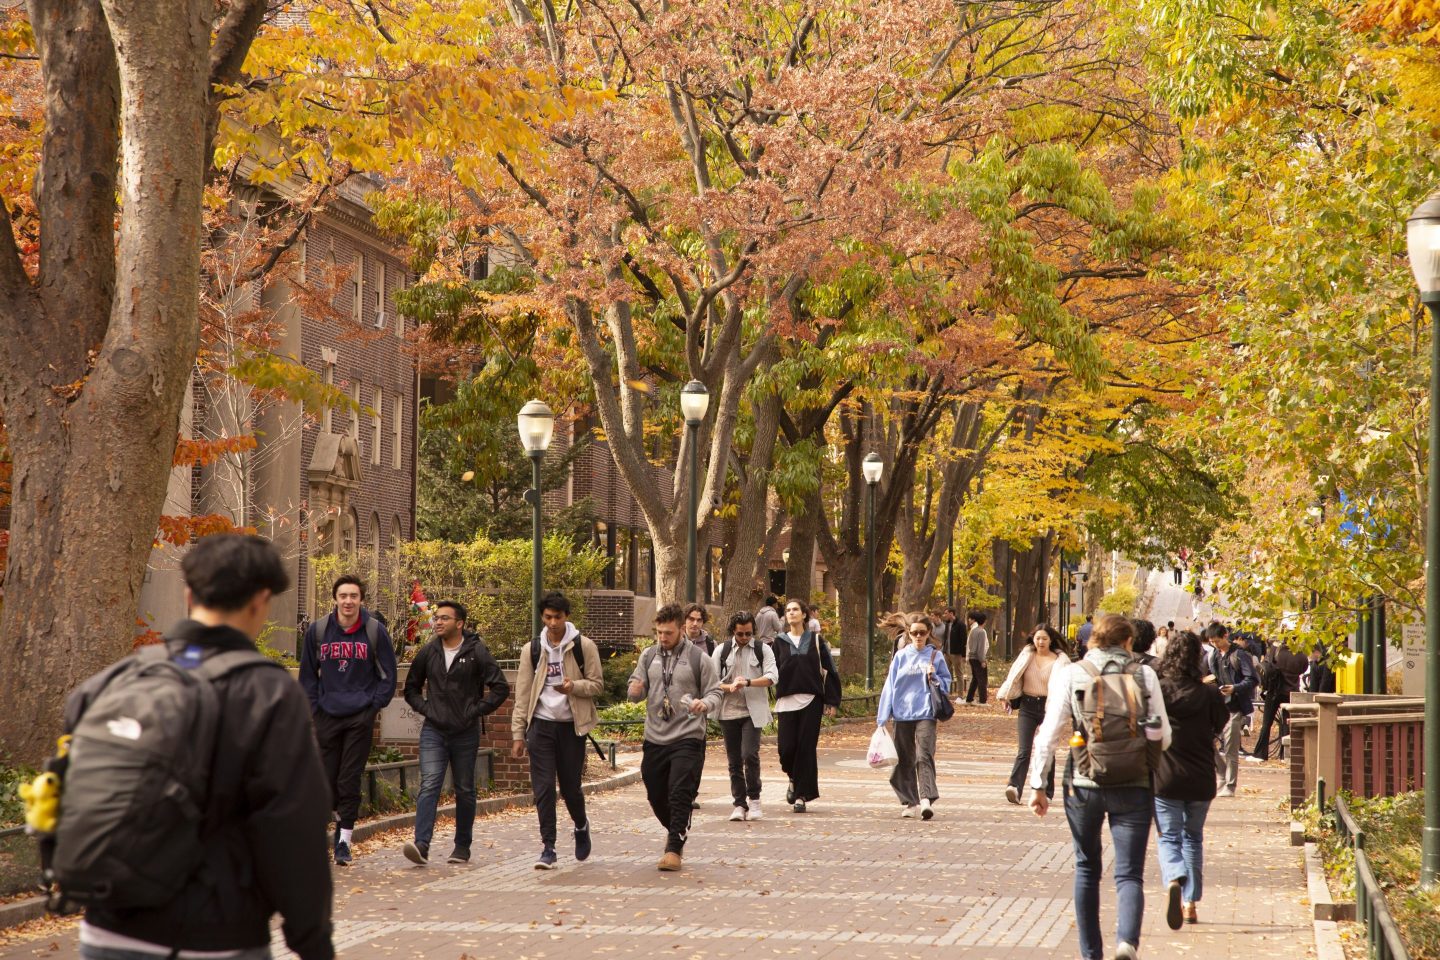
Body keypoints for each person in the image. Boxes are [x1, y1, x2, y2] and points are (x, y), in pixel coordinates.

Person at [72, 534, 335, 960]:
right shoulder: (267, 693)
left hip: (106, 928)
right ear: (261, 600)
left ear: (189, 592)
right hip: (214, 934)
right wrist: (313, 940)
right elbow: (292, 828)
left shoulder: (115, 680)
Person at [1028, 614, 1172, 960]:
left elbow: (1048, 733)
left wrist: (1037, 785)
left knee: (1087, 868)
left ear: (1092, 641)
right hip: (1135, 783)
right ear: (1128, 642)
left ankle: (1091, 953)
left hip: (1083, 781)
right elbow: (1164, 737)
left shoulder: (1071, 672)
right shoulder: (1145, 674)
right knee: (1129, 873)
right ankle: (1126, 942)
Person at [299, 574, 397, 866]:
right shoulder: (317, 632)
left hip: (359, 716)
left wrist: (373, 706)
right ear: (335, 599)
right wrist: (315, 709)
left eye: (354, 596)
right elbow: (307, 676)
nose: (348, 601)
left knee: (349, 780)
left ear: (361, 599)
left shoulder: (374, 631)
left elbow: (388, 675)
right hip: (327, 715)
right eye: (343, 596)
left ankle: (343, 842)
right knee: (325, 781)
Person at [401, 601, 509, 866]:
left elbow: (500, 688)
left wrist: (474, 711)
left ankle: (462, 847)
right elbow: (411, 688)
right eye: (436, 618)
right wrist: (428, 709)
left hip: (465, 731)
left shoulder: (477, 652)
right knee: (430, 784)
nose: (437, 622)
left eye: (444, 618)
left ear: (459, 623)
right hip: (434, 731)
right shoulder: (429, 652)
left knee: (464, 788)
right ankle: (421, 844)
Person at [511, 592, 604, 869]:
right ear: (542, 617)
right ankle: (548, 847)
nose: (553, 623)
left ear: (567, 617)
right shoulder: (532, 649)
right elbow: (523, 695)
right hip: (540, 726)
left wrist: (573, 686)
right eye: (548, 617)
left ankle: (580, 825)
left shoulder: (583, 646)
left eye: (558, 617)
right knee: (543, 789)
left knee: (570, 788)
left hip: (571, 727)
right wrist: (518, 734)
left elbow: (597, 684)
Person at [627, 604, 722, 871]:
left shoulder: (698, 658)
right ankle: (678, 827)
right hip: (655, 736)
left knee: (679, 791)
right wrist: (635, 690)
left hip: (688, 736)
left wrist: (705, 704)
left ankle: (674, 849)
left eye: (668, 633)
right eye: (658, 632)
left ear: (681, 629)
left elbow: (715, 692)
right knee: (656, 794)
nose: (663, 638)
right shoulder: (648, 656)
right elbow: (635, 690)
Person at [1154, 629, 1227, 928]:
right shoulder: (1208, 693)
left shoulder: (1160, 690)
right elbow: (1220, 722)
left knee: (1170, 836)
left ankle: (1173, 876)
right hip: (1200, 776)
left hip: (1166, 775)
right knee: (1193, 838)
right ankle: (1190, 902)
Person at [876, 614, 952, 819]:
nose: (918, 636)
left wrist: (934, 675)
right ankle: (909, 801)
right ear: (908, 634)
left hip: (926, 712)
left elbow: (946, 684)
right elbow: (890, 686)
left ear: (929, 633)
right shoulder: (901, 656)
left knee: (924, 754)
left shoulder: (936, 656)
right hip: (902, 714)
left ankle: (926, 799)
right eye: (914, 633)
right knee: (904, 758)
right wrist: (882, 716)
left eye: (922, 632)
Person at [774, 598, 842, 812]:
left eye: (795, 610)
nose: (791, 613)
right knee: (786, 750)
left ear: (804, 614)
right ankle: (793, 777)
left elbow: (830, 669)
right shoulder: (779, 642)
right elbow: (770, 670)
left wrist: (831, 700)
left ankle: (801, 796)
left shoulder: (816, 640)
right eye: (788, 610)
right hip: (786, 701)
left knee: (806, 748)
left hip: (811, 700)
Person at [713, 611, 778, 822]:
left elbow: (772, 677)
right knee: (734, 760)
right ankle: (739, 804)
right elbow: (711, 683)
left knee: (749, 754)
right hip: (728, 711)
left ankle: (755, 800)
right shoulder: (721, 651)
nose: (744, 638)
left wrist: (748, 682)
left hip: (753, 711)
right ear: (734, 631)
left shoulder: (763, 649)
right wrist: (729, 686)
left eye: (748, 633)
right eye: (740, 634)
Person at [995, 624, 1070, 804]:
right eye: (1038, 638)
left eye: (1044, 638)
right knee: (1024, 750)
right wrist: (1005, 695)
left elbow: (1066, 685)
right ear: (1033, 639)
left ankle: (1047, 792)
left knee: (1047, 750)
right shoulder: (1026, 655)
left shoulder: (1061, 661)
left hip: (1049, 707)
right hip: (1028, 705)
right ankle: (1014, 787)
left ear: (1051, 640)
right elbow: (1013, 677)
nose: (1041, 642)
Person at [1203, 622, 1257, 797]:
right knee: (1206, 741)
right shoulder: (1213, 656)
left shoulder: (1240, 655)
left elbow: (1252, 679)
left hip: (1235, 706)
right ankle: (1222, 773)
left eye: (1217, 641)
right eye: (1212, 642)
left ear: (1226, 635)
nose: (1215, 645)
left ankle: (1230, 785)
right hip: (1218, 705)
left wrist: (1234, 688)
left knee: (1231, 747)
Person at [1251, 638, 1308, 761]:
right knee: (1287, 723)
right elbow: (1303, 669)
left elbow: (1267, 666)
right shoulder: (1302, 655)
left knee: (1267, 723)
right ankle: (1285, 755)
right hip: (1292, 691)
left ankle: (1261, 753)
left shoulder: (1276, 651)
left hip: (1275, 691)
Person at [964, 611, 990, 704]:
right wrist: (982, 660)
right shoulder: (982, 632)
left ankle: (969, 698)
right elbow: (981, 648)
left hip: (971, 657)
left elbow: (970, 645)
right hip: (978, 658)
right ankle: (983, 700)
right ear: (984, 621)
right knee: (982, 679)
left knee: (975, 678)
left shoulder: (973, 631)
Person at [937, 607, 964, 687]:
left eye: (946, 613)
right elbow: (945, 638)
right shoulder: (947, 624)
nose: (944, 615)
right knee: (944, 673)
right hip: (946, 653)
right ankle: (945, 693)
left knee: (959, 674)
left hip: (956, 653)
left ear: (951, 614)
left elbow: (963, 640)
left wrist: (963, 654)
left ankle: (960, 695)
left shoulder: (960, 625)